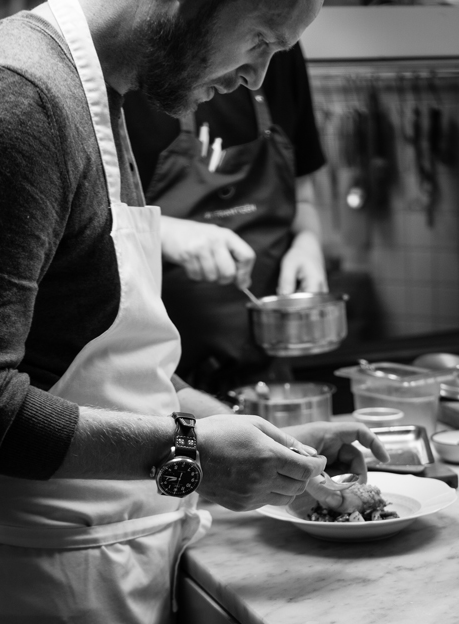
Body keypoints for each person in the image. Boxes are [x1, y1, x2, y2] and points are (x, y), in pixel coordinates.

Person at [0, 0, 388, 624]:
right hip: (34, 599)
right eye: (262, 39)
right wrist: (190, 456)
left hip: (105, 579)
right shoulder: (23, 102)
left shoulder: (101, 93)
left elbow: (96, 368)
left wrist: (259, 438)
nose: (260, 79)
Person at [124, 42, 328, 394]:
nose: (258, 74)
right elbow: (88, 223)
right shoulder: (131, 63)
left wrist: (308, 243)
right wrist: (162, 233)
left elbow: (303, 197)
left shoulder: (280, 49)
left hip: (265, 377)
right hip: (155, 384)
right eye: (259, 39)